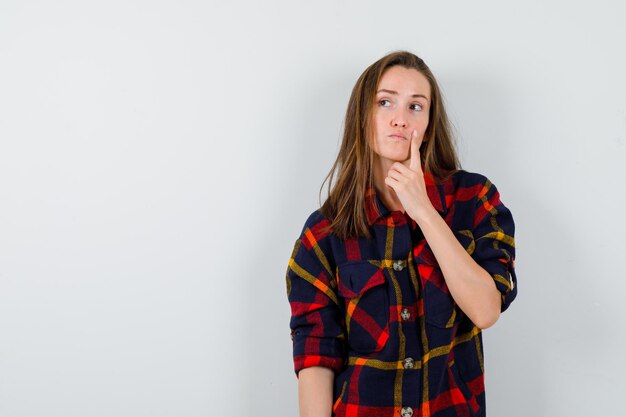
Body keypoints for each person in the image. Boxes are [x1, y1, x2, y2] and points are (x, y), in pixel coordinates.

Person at [285, 50, 517, 417]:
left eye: (415, 106)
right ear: (363, 115)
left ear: (428, 122)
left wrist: (423, 211)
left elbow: (486, 310)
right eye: (385, 102)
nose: (400, 119)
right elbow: (316, 355)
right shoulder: (324, 232)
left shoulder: (474, 200)